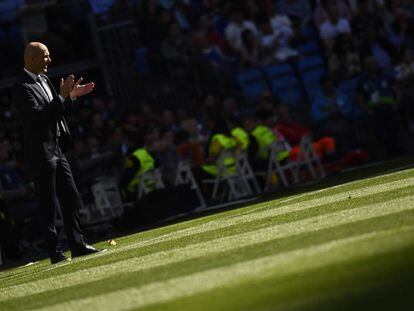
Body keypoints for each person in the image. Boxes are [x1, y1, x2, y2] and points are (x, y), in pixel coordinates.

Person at [13, 42, 104, 264]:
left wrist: (70, 97)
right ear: (32, 59)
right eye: (45, 56)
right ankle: (54, 252)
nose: (49, 60)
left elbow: (56, 111)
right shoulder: (22, 86)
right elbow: (38, 118)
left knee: (70, 195)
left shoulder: (44, 79)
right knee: (48, 203)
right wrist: (62, 98)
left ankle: (78, 245)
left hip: (57, 148)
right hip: (40, 152)